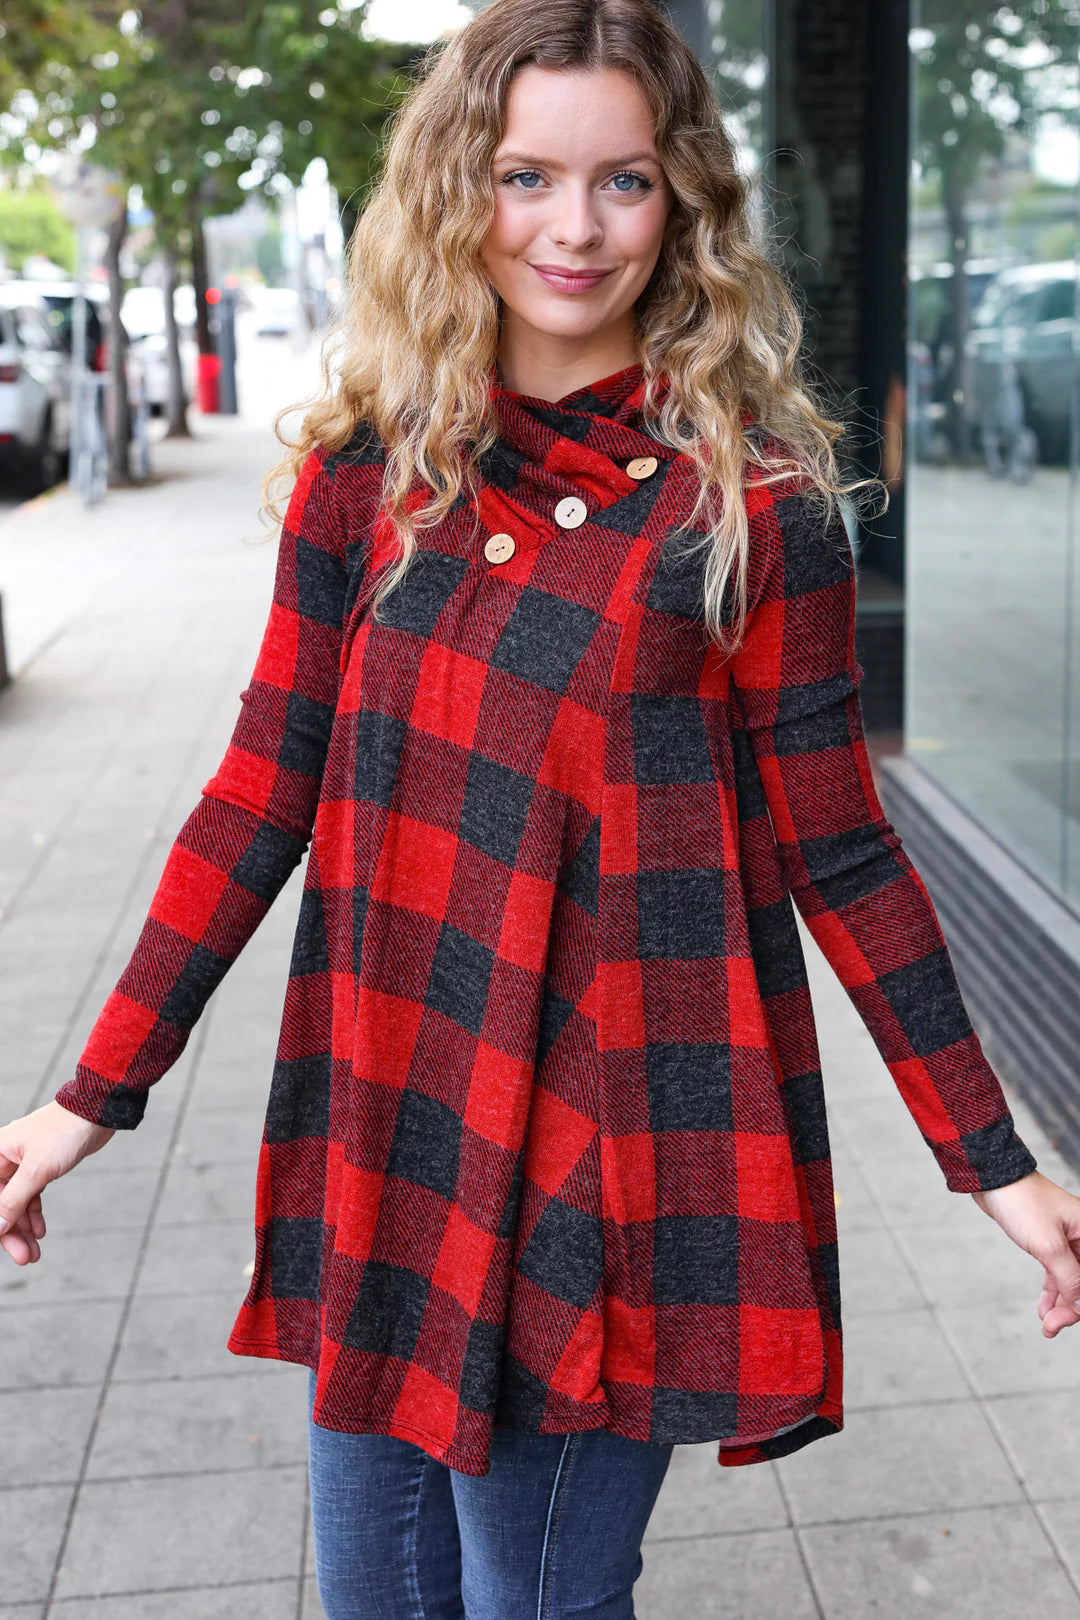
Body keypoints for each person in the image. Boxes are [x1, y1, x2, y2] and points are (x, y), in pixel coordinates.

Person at [3, 2, 1080, 1615]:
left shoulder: (751, 508)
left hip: (614, 1150)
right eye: (527, 175)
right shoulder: (373, 469)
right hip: (396, 1125)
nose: (574, 229)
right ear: (458, 188)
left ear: (685, 202)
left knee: (541, 1603)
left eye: (625, 181)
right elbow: (258, 788)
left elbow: (841, 845)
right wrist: (90, 1096)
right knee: (379, 1597)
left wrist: (990, 1156)